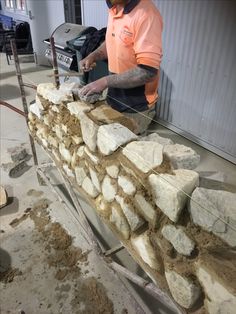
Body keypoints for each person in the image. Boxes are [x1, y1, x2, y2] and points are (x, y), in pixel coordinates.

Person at [79, 0, 163, 134]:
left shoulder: (147, 15)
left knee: (128, 150)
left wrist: (104, 81)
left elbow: (147, 71)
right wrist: (94, 55)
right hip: (114, 96)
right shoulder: (115, 7)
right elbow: (112, 41)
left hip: (136, 104)